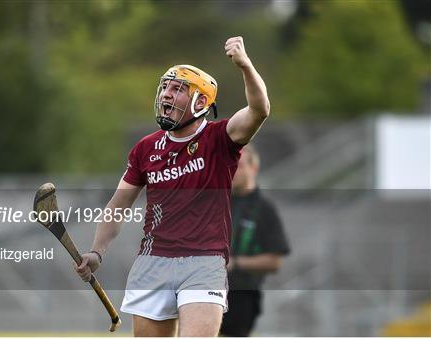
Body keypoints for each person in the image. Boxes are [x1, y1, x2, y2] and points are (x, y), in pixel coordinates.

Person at [75, 36, 270, 336]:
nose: (166, 94)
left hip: (204, 260)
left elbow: (259, 110)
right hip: (153, 261)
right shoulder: (146, 148)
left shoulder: (221, 138)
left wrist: (244, 65)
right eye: (165, 87)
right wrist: (96, 252)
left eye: (178, 89)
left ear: (201, 102)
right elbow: (118, 206)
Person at [219, 144, 291, 337]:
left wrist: (235, 263)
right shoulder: (216, 201)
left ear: (254, 168)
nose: (233, 171)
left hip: (242, 295)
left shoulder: (264, 209)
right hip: (207, 288)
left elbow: (274, 261)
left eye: (239, 166)